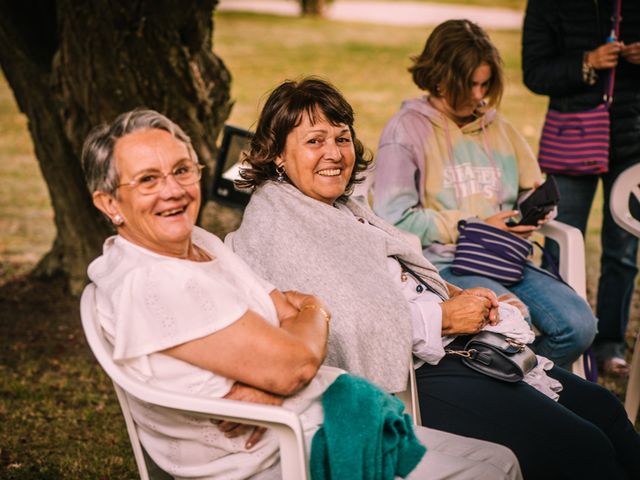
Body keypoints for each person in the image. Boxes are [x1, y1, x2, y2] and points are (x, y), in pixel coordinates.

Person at [228, 77, 640, 480]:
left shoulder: (338, 205)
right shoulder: (278, 224)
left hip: (453, 348)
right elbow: (340, 328)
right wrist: (443, 318)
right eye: (315, 141)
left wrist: (459, 295)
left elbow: (391, 272)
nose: (335, 153)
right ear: (278, 154)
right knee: (582, 448)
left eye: (341, 137)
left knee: (604, 407)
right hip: (412, 374)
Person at [82, 109, 522, 480]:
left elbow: (293, 321)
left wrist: (301, 322)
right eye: (147, 180)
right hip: (282, 454)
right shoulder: (152, 282)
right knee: (495, 470)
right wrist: (307, 324)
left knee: (503, 459)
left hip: (321, 418)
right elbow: (295, 363)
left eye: (181, 170)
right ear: (109, 204)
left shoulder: (201, 243)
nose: (173, 191)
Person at [370, 19, 596, 370]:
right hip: (445, 262)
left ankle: (529, 392)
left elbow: (529, 186)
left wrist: (529, 212)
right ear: (440, 77)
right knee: (511, 323)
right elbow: (393, 218)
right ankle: (520, 400)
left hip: (506, 256)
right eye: (469, 85)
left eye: (485, 84)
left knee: (579, 327)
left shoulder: (499, 127)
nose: (479, 95)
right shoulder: (406, 129)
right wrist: (474, 225)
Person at [522, 0, 640, 376]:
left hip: (633, 139)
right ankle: (552, 338)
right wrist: (586, 62)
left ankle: (609, 346)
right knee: (558, 242)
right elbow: (535, 72)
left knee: (623, 249)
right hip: (572, 138)